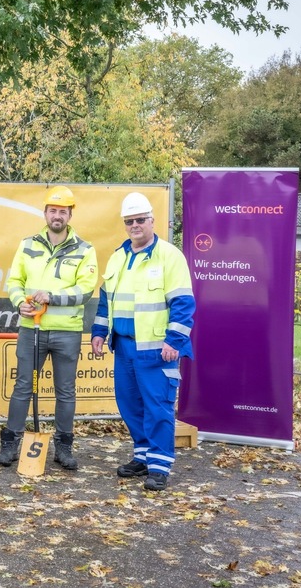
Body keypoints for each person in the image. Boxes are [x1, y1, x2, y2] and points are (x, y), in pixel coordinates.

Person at [90, 192, 195, 491]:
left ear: (151, 220)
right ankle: (143, 456)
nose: (135, 225)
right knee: (130, 404)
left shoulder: (169, 255)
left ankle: (160, 465)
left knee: (158, 406)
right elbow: (105, 301)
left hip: (157, 348)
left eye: (140, 220)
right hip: (123, 345)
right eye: (129, 221)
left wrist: (174, 340)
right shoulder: (118, 256)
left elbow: (183, 303)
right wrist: (99, 332)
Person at [0, 186, 98, 470]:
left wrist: (52, 298)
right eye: (53, 210)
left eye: (62, 211)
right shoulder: (28, 244)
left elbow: (85, 291)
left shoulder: (84, 249)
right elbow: (14, 281)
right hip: (32, 328)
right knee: (23, 387)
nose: (57, 216)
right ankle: (10, 444)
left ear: (69, 215)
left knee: (65, 391)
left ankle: (63, 448)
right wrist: (20, 304)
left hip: (67, 331)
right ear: (45, 213)